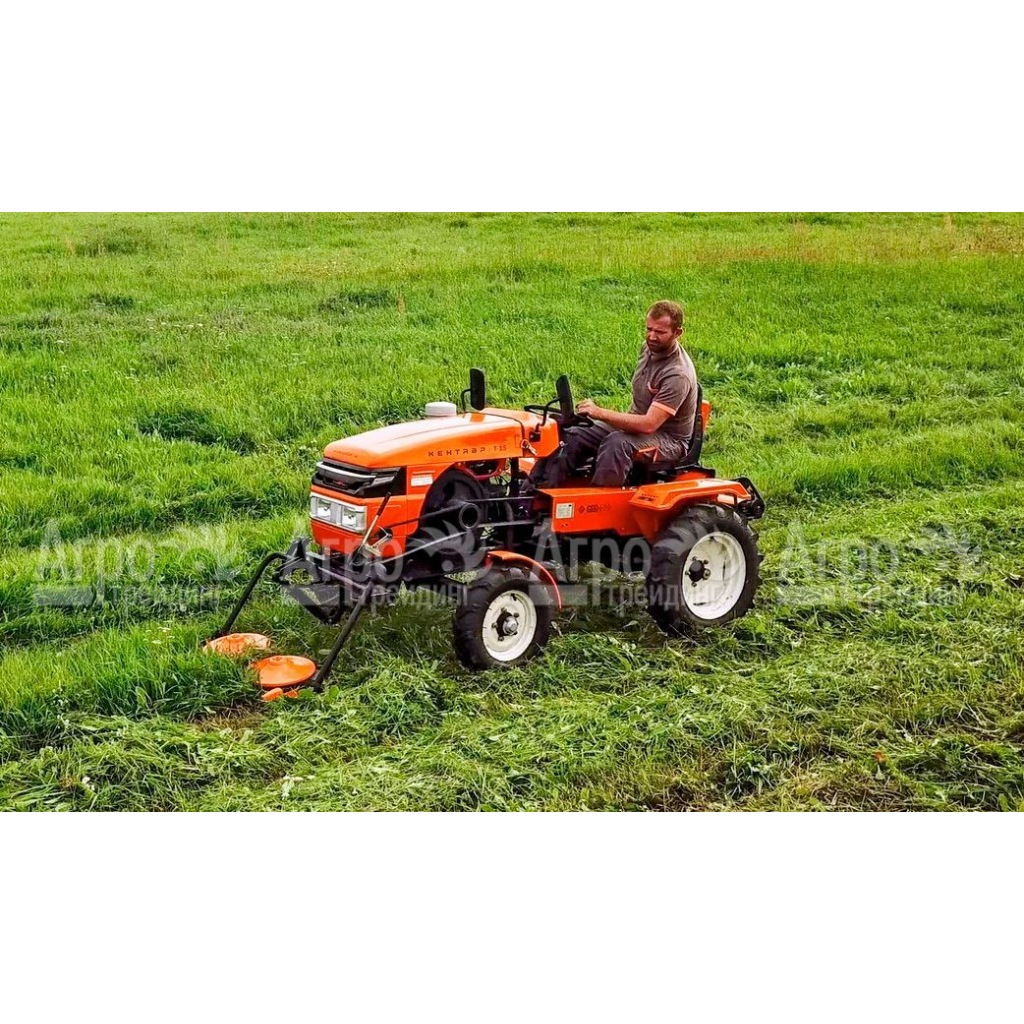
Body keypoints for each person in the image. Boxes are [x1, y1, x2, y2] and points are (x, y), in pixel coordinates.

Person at [534, 300, 699, 488]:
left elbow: (649, 424)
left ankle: (599, 500)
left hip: (669, 440)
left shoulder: (678, 374)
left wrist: (600, 413)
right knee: (574, 434)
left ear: (677, 333)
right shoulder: (648, 348)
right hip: (636, 424)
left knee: (617, 444)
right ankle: (535, 493)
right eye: (649, 329)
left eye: (660, 332)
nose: (651, 336)